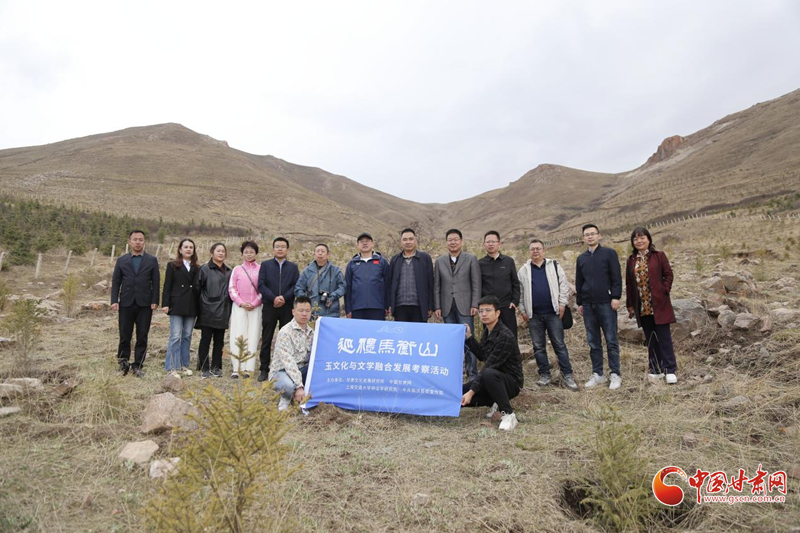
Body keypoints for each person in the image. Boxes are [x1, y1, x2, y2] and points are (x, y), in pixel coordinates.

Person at [517, 239, 577, 390]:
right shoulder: (523, 270)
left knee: (559, 344)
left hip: (553, 313)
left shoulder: (554, 266)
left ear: (544, 251)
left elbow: (563, 285)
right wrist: (522, 310)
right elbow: (520, 292)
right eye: (532, 249)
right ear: (529, 252)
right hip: (534, 316)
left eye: (538, 248)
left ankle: (567, 374)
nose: (535, 251)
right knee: (538, 346)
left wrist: (562, 304)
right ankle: (544, 374)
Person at [461, 296, 523, 432]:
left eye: (488, 310)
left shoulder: (505, 335)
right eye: (481, 311)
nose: (483, 314)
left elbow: (488, 367)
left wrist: (471, 392)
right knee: (459, 393)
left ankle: (508, 414)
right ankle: (495, 401)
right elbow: (482, 355)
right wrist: (469, 337)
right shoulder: (488, 331)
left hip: (510, 383)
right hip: (491, 380)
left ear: (497, 313)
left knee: (487, 374)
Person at [625, 227, 678, 384]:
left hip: (659, 303)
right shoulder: (631, 260)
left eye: (642, 238)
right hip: (642, 306)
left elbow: (668, 274)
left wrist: (664, 290)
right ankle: (655, 369)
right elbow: (629, 284)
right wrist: (630, 304)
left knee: (664, 337)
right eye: (636, 239)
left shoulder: (659, 256)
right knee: (651, 338)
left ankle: (669, 370)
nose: (639, 241)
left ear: (648, 239)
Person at [575, 224, 623, 390]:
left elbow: (616, 277)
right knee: (593, 341)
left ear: (599, 236)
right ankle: (598, 374)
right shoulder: (581, 258)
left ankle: (615, 373)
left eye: (592, 234)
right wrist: (580, 302)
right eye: (586, 234)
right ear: (583, 238)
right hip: (588, 305)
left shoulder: (609, 253)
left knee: (611, 340)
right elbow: (579, 281)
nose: (590, 236)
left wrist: (616, 296)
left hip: (606, 303)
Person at [434, 228, 481, 381]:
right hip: (447, 307)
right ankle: (453, 374)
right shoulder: (440, 261)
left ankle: (472, 374)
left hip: (465, 306)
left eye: (455, 239)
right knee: (452, 342)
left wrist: (475, 304)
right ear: (446, 242)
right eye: (450, 240)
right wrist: (437, 306)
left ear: (461, 241)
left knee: (468, 340)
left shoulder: (471, 258)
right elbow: (437, 286)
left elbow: (476, 283)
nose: (453, 242)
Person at [111, 230, 160, 377]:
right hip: (126, 303)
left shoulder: (152, 260)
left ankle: (138, 365)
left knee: (142, 335)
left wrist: (155, 300)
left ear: (144, 242)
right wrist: (114, 300)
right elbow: (116, 281)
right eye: (135, 239)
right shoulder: (122, 260)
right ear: (129, 241)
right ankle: (123, 364)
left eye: (141, 240)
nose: (138, 242)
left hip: (145, 304)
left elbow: (156, 282)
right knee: (124, 335)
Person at [257, 237, 300, 382]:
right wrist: (273, 298)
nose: (280, 249)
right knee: (267, 337)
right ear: (273, 249)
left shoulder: (293, 267)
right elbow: (261, 285)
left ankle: (283, 368)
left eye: (283, 246)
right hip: (270, 306)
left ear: (287, 249)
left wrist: (283, 298)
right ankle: (264, 368)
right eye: (277, 246)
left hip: (286, 307)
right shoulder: (265, 265)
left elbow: (296, 286)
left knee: (286, 338)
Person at [161, 238, 199, 377]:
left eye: (191, 247)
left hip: (192, 305)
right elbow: (167, 285)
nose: (188, 249)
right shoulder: (172, 265)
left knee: (187, 335)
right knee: (176, 335)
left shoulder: (197, 267)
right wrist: (165, 304)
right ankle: (172, 367)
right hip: (176, 304)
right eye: (186, 247)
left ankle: (183, 365)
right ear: (180, 249)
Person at [269, 296, 314, 411]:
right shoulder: (285, 332)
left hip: (301, 369)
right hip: (282, 371)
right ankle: (285, 399)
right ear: (293, 312)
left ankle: (302, 397)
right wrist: (299, 386)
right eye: (301, 310)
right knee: (288, 386)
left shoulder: (312, 333)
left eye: (307, 311)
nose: (304, 314)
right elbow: (288, 362)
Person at [195, 243, 232, 379]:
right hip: (208, 310)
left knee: (219, 341)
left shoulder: (229, 271)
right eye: (218, 251)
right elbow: (197, 289)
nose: (221, 253)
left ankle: (216, 367)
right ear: (212, 253)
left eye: (223, 251)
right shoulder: (204, 269)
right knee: (205, 340)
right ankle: (204, 367)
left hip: (223, 311)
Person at [228, 241, 263, 379]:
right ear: (242, 253)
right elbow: (232, 288)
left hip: (256, 307)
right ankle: (237, 368)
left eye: (251, 252)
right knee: (238, 334)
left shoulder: (261, 269)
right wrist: (241, 303)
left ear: (256, 253)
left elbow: (263, 288)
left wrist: (255, 303)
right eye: (246, 252)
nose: (249, 254)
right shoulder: (237, 269)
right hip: (239, 307)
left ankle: (249, 367)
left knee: (253, 334)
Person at [478, 231, 520, 337]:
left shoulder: (508, 261)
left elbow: (515, 283)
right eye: (488, 242)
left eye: (493, 242)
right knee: (490, 337)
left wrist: (514, 301)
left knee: (510, 336)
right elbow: (477, 285)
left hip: (507, 306)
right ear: (484, 244)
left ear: (499, 244)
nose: (490, 244)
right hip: (488, 309)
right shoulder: (480, 263)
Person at [388, 228, 434, 323]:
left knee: (419, 332)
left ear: (415, 240)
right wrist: (390, 304)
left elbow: (430, 283)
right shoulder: (395, 260)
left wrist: (430, 305)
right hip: (399, 306)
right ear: (401, 242)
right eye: (405, 239)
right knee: (401, 332)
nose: (408, 242)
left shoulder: (425, 258)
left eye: (411, 239)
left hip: (419, 306)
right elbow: (390, 283)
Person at [344, 232, 391, 321]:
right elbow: (348, 287)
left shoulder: (382, 262)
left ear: (372, 243)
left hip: (377, 307)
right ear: (357, 245)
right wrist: (348, 308)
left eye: (367, 241)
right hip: (357, 308)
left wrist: (387, 305)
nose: (364, 243)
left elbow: (388, 285)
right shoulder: (352, 264)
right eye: (361, 241)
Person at [295, 243, 346, 319]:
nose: (320, 253)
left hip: (331, 311)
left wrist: (333, 296)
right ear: (314, 254)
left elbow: (343, 287)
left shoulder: (336, 270)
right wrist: (305, 301)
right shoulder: (307, 271)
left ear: (328, 255)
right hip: (311, 312)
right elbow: (298, 288)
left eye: (323, 251)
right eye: (318, 251)